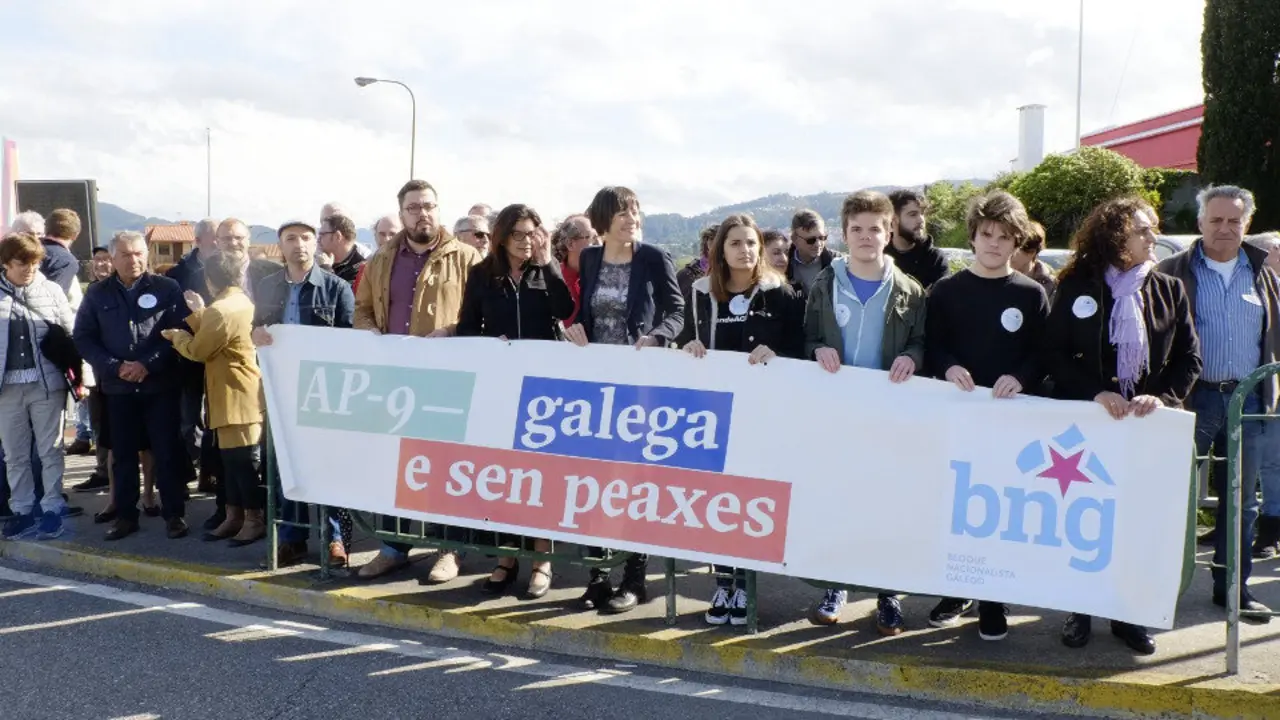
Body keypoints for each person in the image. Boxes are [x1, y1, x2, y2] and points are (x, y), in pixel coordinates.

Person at [1045, 196, 1202, 653]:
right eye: (1143, 230)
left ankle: (1127, 615)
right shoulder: (1078, 286)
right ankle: (1079, 610)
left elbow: (1190, 358)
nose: (1154, 237)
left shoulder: (1169, 289)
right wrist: (1095, 392)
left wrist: (1162, 397)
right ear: (1116, 237)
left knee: (1134, 525)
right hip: (1088, 429)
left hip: (1144, 430)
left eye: (1153, 228)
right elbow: (1052, 353)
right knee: (1084, 522)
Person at [924, 191, 1048, 641]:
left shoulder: (1031, 294)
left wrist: (1022, 376)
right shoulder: (946, 291)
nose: (994, 244)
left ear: (1017, 242)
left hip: (1009, 423)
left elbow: (1044, 353)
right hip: (957, 421)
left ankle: (994, 600)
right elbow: (931, 345)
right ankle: (957, 590)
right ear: (973, 238)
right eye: (987, 234)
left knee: (997, 513)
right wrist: (948, 366)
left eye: (1005, 237)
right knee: (957, 509)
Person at [803, 190, 926, 636]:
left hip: (889, 417)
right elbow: (808, 339)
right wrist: (817, 350)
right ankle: (836, 585)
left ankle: (887, 593)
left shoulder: (911, 291)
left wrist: (911, 357)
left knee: (886, 505)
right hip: (837, 416)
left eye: (875, 228)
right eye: (857, 229)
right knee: (839, 500)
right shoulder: (824, 284)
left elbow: (920, 343)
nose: (866, 236)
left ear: (889, 232)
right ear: (844, 233)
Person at [674, 213, 804, 625]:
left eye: (751, 242)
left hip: (761, 415)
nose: (745, 250)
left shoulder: (780, 293)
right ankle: (723, 582)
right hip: (712, 415)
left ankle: (745, 583)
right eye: (735, 243)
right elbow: (683, 339)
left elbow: (800, 348)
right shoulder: (699, 293)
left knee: (747, 501)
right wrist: (687, 347)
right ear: (720, 251)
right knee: (716, 499)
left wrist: (777, 355)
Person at [563, 186, 684, 614]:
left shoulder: (653, 257)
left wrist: (657, 337)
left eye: (635, 211)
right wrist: (574, 328)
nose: (631, 218)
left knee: (633, 482)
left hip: (639, 387)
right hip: (595, 387)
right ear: (603, 220)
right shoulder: (590, 258)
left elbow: (677, 312)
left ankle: (634, 579)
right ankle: (597, 577)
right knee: (592, 480)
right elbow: (587, 313)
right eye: (622, 212)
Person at [1156, 185, 1275, 622]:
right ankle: (1156, 589)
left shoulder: (1263, 274)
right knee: (1170, 496)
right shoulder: (1173, 270)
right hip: (1191, 399)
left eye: (1234, 221)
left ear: (1247, 224)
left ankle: (1232, 588)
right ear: (1200, 222)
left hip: (1248, 401)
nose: (1225, 228)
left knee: (1241, 502)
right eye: (1216, 220)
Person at [354, 179, 482, 581]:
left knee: (445, 467)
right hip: (394, 381)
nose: (422, 213)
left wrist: (451, 331)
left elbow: (480, 316)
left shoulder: (467, 258)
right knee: (396, 466)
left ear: (438, 210)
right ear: (402, 214)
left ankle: (450, 548)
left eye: (428, 206)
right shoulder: (380, 260)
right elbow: (362, 309)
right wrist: (370, 333)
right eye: (413, 208)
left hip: (448, 381)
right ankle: (393, 547)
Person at [457, 204, 574, 598]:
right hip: (501, 386)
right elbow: (467, 327)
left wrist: (548, 263)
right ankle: (506, 557)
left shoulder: (546, 271)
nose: (526, 241)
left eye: (532, 233)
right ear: (502, 237)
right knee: (505, 474)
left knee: (540, 474)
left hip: (545, 389)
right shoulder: (482, 275)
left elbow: (566, 311)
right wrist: (490, 344)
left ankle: (542, 559)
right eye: (518, 234)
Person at [74, 231, 190, 541]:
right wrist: (115, 366)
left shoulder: (167, 288)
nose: (134, 260)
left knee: (166, 453)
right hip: (119, 388)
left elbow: (179, 332)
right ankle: (126, 516)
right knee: (123, 456)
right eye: (126, 255)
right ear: (112, 258)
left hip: (159, 386)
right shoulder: (97, 293)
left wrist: (147, 364)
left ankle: (174, 514)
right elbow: (84, 337)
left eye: (139, 254)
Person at [253, 221, 355, 567]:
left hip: (324, 392)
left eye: (306, 238)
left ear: (316, 244)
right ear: (281, 246)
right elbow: (257, 327)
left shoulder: (337, 288)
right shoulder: (267, 286)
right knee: (287, 465)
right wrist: (255, 334)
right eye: (291, 238)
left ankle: (335, 539)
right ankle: (292, 538)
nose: (299, 244)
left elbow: (350, 340)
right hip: (281, 389)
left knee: (329, 465)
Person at [162, 251, 265, 546]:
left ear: (209, 280)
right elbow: (217, 337)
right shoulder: (239, 302)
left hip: (234, 396)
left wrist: (177, 337)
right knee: (231, 462)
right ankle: (235, 516)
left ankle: (253, 519)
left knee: (241, 463)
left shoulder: (221, 310)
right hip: (236, 395)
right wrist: (199, 315)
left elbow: (199, 350)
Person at [0, 233, 75, 540]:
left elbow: (70, 333)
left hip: (47, 384)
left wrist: (81, 378)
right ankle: (22, 509)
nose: (30, 269)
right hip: (7, 389)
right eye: (22, 263)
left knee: (50, 450)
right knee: (14, 454)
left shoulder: (51, 290)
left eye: (34, 262)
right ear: (6, 263)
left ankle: (52, 508)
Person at [167, 218, 219, 497]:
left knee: (217, 420)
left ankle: (209, 473)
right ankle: (187, 471)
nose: (220, 243)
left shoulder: (231, 271)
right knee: (188, 420)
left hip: (220, 356)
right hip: (188, 356)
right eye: (215, 238)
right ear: (198, 241)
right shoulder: (178, 274)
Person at [886, 189, 948, 290]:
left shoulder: (934, 258)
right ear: (894, 220)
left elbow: (941, 297)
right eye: (913, 214)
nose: (921, 220)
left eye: (922, 213)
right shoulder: (880, 256)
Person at [550, 214, 598, 325]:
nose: (598, 244)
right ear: (570, 244)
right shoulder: (553, 279)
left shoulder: (603, 277)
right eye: (591, 237)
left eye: (598, 237)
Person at [785, 209, 837, 294]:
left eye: (822, 238)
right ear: (794, 240)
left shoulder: (837, 263)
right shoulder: (783, 264)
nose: (818, 244)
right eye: (810, 240)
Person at [1012, 221, 1057, 298]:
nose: (1008, 254)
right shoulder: (996, 275)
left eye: (1015, 249)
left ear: (1031, 252)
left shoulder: (1050, 283)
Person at [676, 225, 717, 300]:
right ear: (706, 245)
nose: (716, 247)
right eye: (711, 240)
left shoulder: (734, 275)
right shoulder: (685, 275)